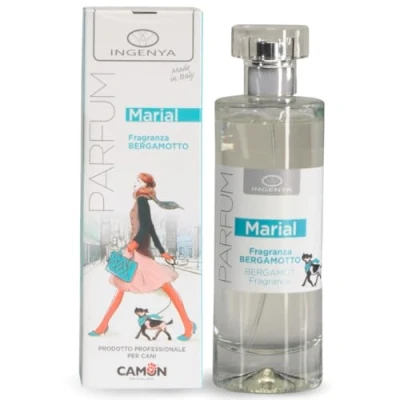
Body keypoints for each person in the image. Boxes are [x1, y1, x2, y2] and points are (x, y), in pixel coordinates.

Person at [88, 173, 196, 341]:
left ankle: (188, 325)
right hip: (136, 249)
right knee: (122, 288)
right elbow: (150, 227)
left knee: (165, 287)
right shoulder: (141, 200)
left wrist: (137, 243)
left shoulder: (141, 200)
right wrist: (161, 251)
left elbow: (146, 227)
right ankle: (103, 325)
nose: (135, 183)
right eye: (136, 180)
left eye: (139, 181)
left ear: (145, 185)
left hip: (139, 251)